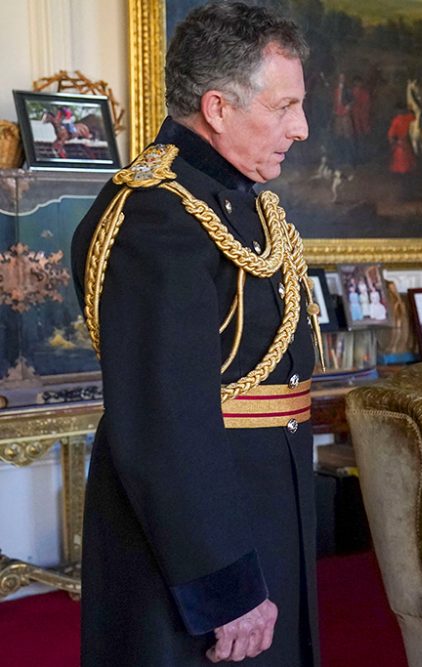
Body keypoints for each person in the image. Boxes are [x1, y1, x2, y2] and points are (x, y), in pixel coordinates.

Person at [70, 3, 321, 665]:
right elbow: (164, 421)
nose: (300, 127)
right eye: (284, 105)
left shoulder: (243, 206)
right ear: (216, 107)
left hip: (262, 513)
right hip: (194, 549)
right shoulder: (157, 216)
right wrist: (223, 582)